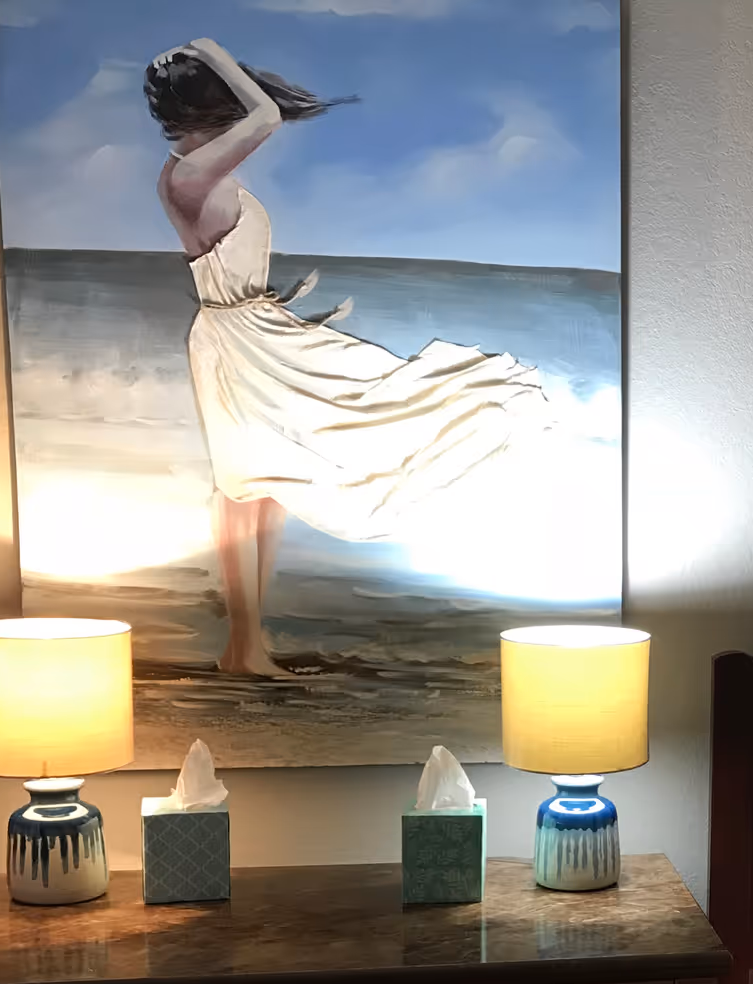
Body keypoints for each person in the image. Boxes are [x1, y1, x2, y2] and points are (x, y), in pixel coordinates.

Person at [145, 39, 552, 675]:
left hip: (251, 329)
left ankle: (246, 648)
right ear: (210, 104)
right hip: (237, 338)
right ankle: (244, 649)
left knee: (266, 483)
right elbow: (267, 119)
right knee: (242, 486)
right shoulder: (193, 175)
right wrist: (219, 55)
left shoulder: (196, 172)